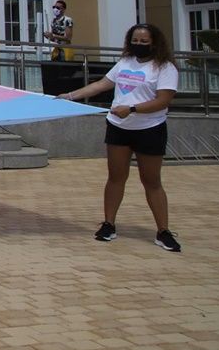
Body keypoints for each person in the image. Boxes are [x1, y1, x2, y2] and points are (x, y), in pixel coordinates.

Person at [57, 24, 181, 252]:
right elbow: (102, 84)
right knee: (115, 177)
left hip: (149, 128)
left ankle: (163, 231)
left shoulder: (165, 68)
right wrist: (71, 96)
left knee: (151, 181)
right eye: (135, 40)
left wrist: (132, 109)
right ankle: (108, 224)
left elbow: (163, 100)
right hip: (118, 127)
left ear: (155, 43)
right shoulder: (125, 62)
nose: (139, 45)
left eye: (144, 42)